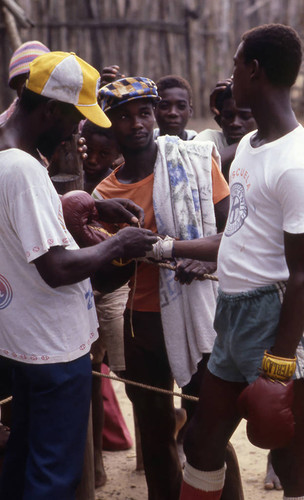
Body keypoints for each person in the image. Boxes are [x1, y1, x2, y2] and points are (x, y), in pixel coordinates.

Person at [148, 24, 304, 500]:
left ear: (254, 70)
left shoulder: (297, 163)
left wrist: (278, 368)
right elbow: (237, 236)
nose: (231, 72)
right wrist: (166, 246)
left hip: (275, 320)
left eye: (237, 62)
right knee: (200, 440)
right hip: (233, 316)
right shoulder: (247, 150)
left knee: (289, 453)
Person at [0, 50, 157, 500]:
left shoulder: (11, 156)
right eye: (73, 118)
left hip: (24, 342)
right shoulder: (22, 169)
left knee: (24, 460)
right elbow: (55, 268)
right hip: (52, 348)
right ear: (50, 110)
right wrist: (119, 244)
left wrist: (85, 205)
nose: (76, 131)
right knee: (53, 476)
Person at [94, 76, 244, 500]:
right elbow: (106, 278)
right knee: (155, 429)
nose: (136, 123)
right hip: (143, 325)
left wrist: (197, 254)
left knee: (208, 430)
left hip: (201, 316)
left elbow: (233, 231)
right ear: (109, 124)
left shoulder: (194, 161)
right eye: (123, 116)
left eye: (144, 112)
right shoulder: (106, 192)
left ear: (157, 113)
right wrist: (123, 250)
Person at [80, 119, 131, 488]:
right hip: (80, 288)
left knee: (129, 376)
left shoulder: (111, 187)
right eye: (89, 152)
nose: (94, 160)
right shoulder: (69, 175)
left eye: (104, 154)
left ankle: (154, 439)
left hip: (111, 289)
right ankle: (94, 463)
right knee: (92, 376)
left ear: (117, 156)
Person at [194, 80, 256, 181]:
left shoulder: (266, 145)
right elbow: (198, 168)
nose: (235, 123)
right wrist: (244, 144)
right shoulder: (210, 139)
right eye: (228, 116)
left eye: (245, 117)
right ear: (219, 121)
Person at [0, 40, 50, 125]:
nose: (32, 87)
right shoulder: (3, 125)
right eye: (25, 79)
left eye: (38, 79)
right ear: (16, 84)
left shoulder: (67, 124)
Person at [154, 74, 197, 140]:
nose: (173, 113)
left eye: (181, 106)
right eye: (164, 106)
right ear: (154, 111)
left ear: (190, 111)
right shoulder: (144, 144)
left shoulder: (200, 144)